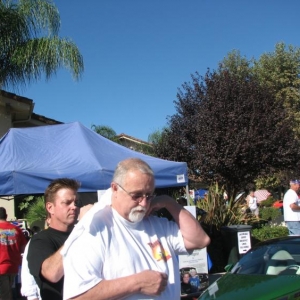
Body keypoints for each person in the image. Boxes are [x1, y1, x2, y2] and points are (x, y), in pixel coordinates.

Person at [62, 158, 210, 300]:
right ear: (115, 188)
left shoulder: (157, 224)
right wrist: (137, 283)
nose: (144, 204)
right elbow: (76, 296)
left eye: (149, 195)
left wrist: (169, 203)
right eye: (136, 195)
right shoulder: (93, 229)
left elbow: (200, 240)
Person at [27, 178, 80, 300]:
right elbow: (51, 274)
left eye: (76, 202)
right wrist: (81, 229)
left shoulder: (85, 235)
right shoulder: (40, 241)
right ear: (50, 208)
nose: (74, 207)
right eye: (67, 202)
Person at [0, 207, 27, 300]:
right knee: (7, 292)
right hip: (13, 267)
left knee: (4, 295)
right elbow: (24, 248)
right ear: (6, 216)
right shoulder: (16, 229)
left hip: (1, 266)